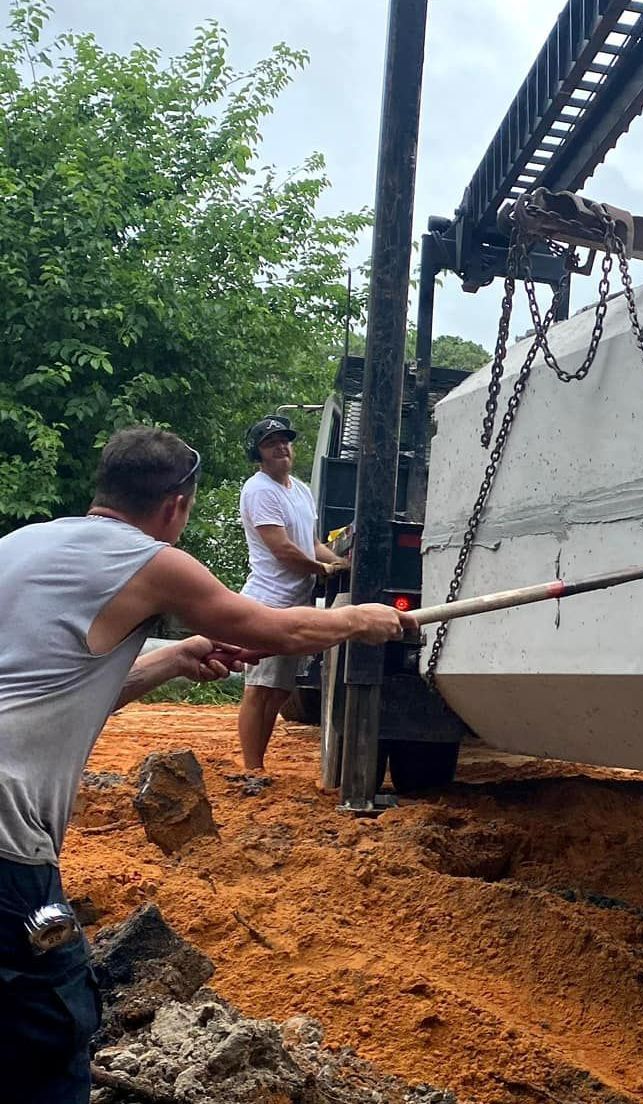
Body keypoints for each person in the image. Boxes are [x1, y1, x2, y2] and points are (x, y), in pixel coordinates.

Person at [0, 426, 407, 1103]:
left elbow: (60, 683)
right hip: (9, 851)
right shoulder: (152, 559)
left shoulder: (21, 545)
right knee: (52, 1020)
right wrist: (361, 621)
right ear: (175, 507)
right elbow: (274, 628)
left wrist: (174, 658)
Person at [236, 414, 347, 771]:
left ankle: (258, 763)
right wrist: (324, 570)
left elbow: (311, 544)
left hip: (294, 602)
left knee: (281, 690)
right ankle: (252, 769)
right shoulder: (259, 491)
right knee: (260, 688)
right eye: (271, 444)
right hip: (268, 602)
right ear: (259, 454)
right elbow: (282, 549)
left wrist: (342, 565)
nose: (281, 447)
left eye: (284, 441)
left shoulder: (299, 490)